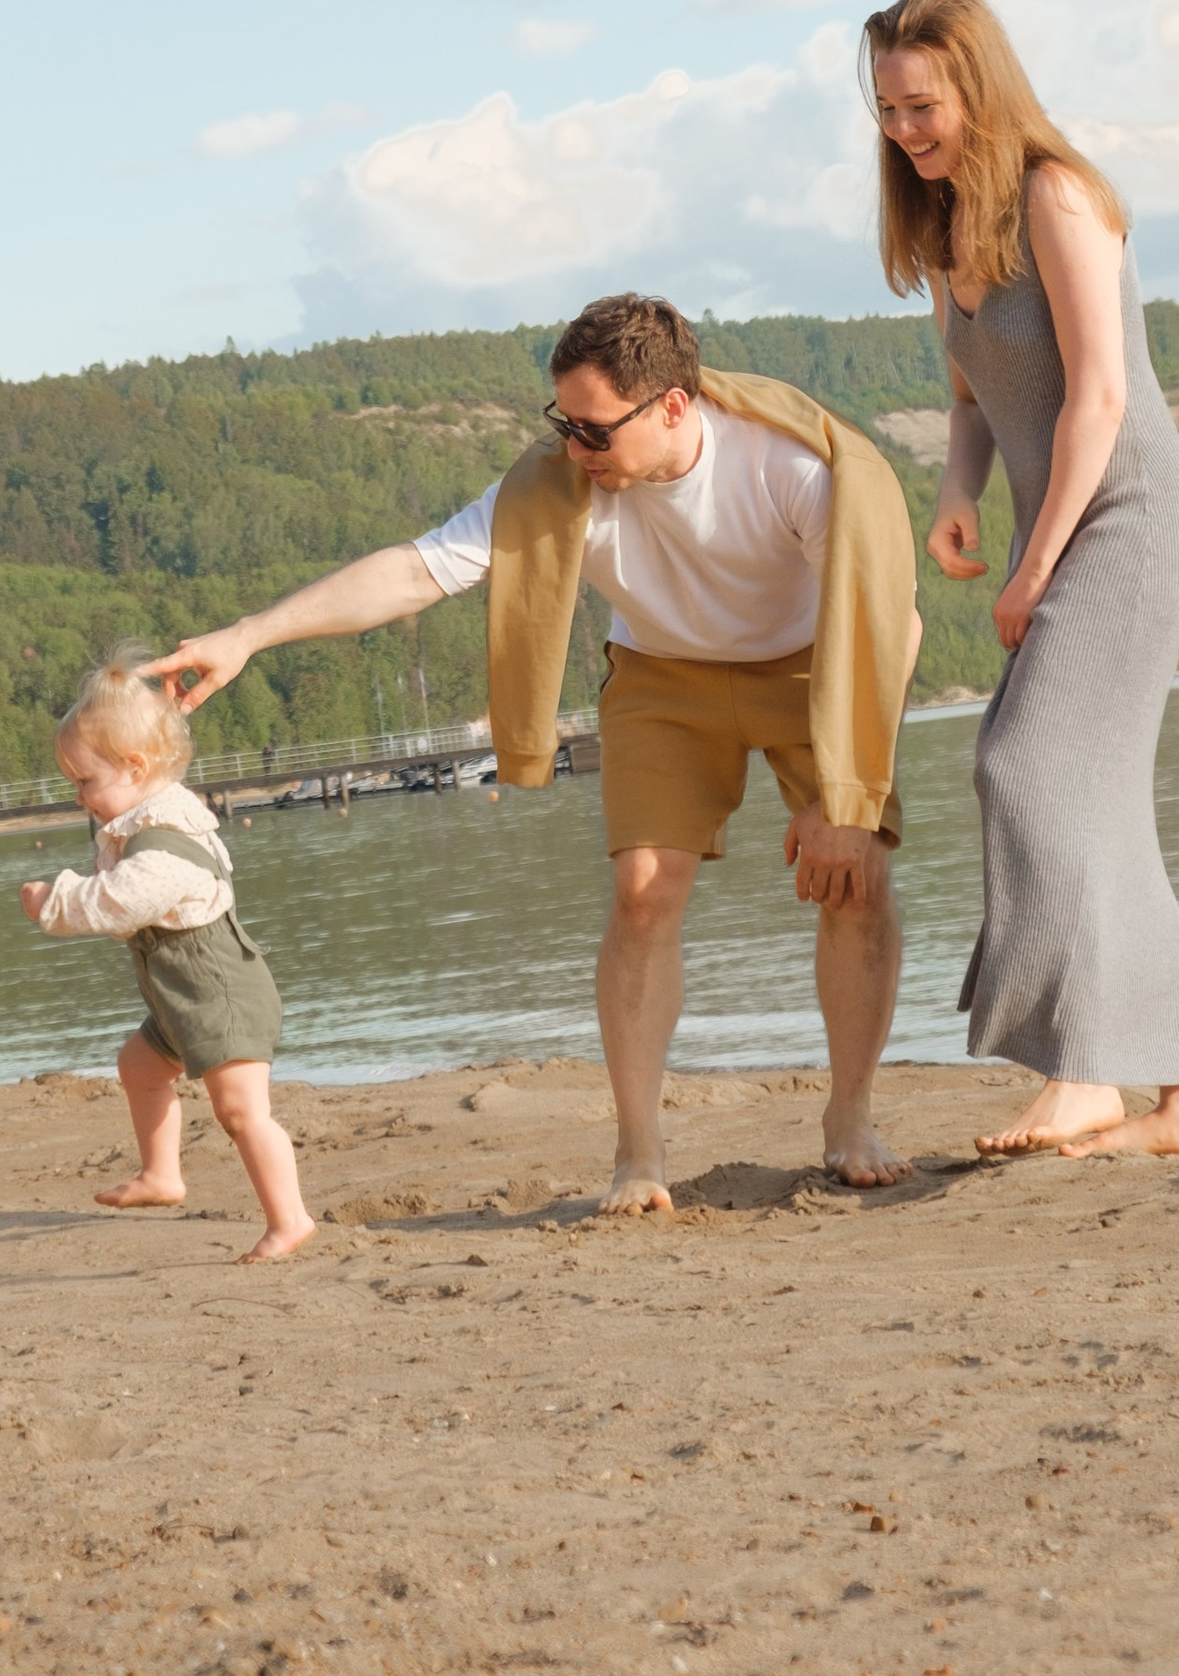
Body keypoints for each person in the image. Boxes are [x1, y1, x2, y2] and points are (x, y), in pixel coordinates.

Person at [146, 293, 922, 1211]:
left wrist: (842, 797)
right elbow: (413, 571)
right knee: (643, 892)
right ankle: (639, 1154)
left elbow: (885, 627)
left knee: (856, 869)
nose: (574, 449)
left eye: (594, 429)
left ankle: (851, 1116)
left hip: (812, 667)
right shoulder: (558, 485)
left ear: (673, 406)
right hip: (663, 678)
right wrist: (249, 634)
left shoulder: (793, 467)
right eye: (563, 423)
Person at [864, 0, 1179, 1162]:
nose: (904, 130)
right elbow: (974, 390)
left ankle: (1085, 1077)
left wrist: (1034, 563)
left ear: (977, 85)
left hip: (1127, 523)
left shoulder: (1055, 196)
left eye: (921, 105)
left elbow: (1101, 398)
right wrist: (958, 493)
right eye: (884, 109)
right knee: (1096, 806)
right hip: (1061, 528)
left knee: (1022, 765)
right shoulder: (945, 229)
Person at [19, 651, 316, 1263]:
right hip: (179, 1000)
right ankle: (162, 1175)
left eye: (84, 781)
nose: (78, 797)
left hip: (221, 997)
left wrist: (55, 901)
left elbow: (118, 903)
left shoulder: (167, 845)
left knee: (240, 1113)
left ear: (134, 767)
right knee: (140, 1066)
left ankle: (289, 1219)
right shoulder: (139, 821)